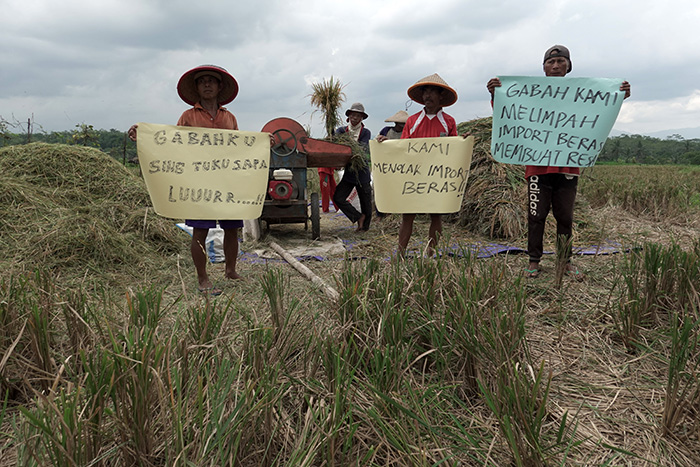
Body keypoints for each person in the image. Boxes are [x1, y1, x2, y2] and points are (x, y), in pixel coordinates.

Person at [487, 45, 631, 279]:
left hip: (568, 167)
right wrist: (496, 94)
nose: (555, 66)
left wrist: (617, 94)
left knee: (565, 217)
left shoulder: (581, 95)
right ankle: (534, 260)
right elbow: (508, 113)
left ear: (569, 66)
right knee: (537, 215)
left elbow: (600, 112)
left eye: (561, 61)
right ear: (543, 67)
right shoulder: (531, 93)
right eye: (550, 62)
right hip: (537, 168)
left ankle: (565, 261)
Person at [128, 64, 244, 296]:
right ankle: (203, 278)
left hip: (226, 181)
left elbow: (241, 148)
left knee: (232, 229)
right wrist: (144, 137)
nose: (208, 84)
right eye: (203, 81)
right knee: (200, 230)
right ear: (197, 88)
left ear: (220, 86)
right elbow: (172, 143)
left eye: (212, 80)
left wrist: (264, 143)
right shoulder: (188, 116)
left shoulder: (229, 118)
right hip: (198, 183)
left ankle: (230, 270)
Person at [382, 74, 460, 256]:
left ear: (441, 96)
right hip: (414, 176)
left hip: (437, 176)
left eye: (432, 91)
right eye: (425, 92)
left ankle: (431, 254)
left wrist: (461, 142)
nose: (428, 96)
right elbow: (403, 148)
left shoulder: (448, 122)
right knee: (407, 216)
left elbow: (454, 148)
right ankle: (400, 254)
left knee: (436, 216)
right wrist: (385, 143)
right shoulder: (412, 121)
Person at [333, 102, 373, 231]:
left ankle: (364, 228)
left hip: (362, 171)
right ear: (348, 116)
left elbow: (362, 149)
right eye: (353, 115)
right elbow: (335, 144)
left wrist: (347, 149)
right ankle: (357, 217)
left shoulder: (365, 132)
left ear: (362, 118)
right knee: (338, 198)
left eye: (358, 116)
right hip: (349, 173)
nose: (355, 118)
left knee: (366, 202)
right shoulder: (341, 131)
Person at [374, 110, 409, 220]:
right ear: (396, 123)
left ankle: (393, 214)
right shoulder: (386, 131)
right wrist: (382, 140)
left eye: (404, 124)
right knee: (382, 189)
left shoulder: (408, 133)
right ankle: (380, 215)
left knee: (398, 190)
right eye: (401, 124)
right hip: (386, 165)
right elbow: (377, 143)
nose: (402, 126)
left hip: (402, 166)